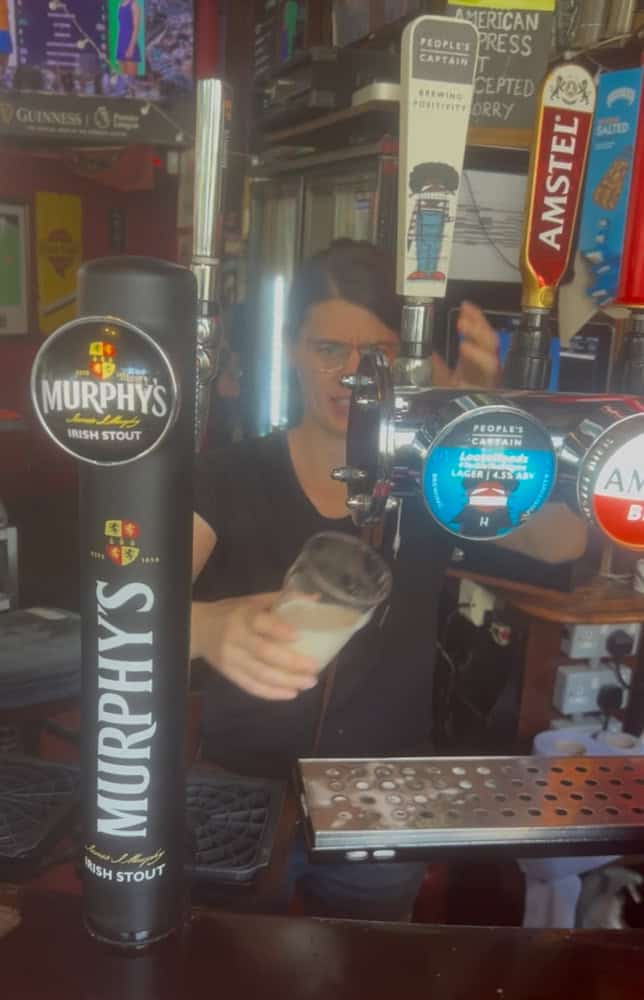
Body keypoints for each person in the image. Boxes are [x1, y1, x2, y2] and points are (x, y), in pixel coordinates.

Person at [191, 240, 587, 920]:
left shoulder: (435, 481)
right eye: (328, 351)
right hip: (238, 788)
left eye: (375, 355)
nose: (352, 375)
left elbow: (560, 542)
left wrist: (479, 421)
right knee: (223, 967)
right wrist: (204, 624)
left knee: (367, 972)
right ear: (290, 349)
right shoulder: (228, 475)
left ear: (412, 362)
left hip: (382, 789)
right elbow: (127, 606)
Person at [116, 0, 142, 77]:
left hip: (130, 44)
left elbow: (136, 28)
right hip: (121, 44)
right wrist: (119, 47)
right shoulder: (120, 4)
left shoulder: (134, 5)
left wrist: (131, 48)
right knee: (123, 78)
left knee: (131, 78)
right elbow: (121, 26)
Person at [0, 0, 13, 81]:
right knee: (4, 53)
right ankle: (2, 75)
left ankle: (2, 76)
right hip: (2, 29)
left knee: (5, 53)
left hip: (5, 29)